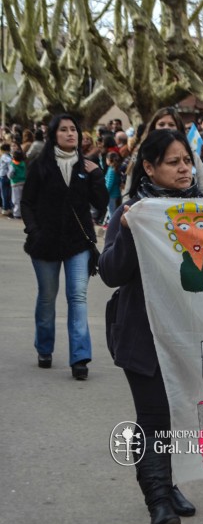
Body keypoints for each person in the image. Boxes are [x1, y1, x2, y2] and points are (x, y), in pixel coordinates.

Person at [99, 129, 200, 524]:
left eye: (187, 160)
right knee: (154, 416)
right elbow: (110, 272)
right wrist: (128, 230)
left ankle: (169, 484)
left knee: (178, 415)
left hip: (188, 334)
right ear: (149, 167)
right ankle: (158, 501)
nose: (184, 168)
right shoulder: (132, 212)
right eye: (173, 162)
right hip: (142, 334)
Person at [21, 114, 108, 379]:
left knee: (77, 296)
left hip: (77, 243)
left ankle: (80, 357)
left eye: (74, 130)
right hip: (44, 244)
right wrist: (34, 231)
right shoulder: (40, 166)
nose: (70, 134)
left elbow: (101, 203)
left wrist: (97, 176)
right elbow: (27, 203)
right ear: (53, 134)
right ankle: (44, 347)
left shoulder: (88, 167)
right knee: (47, 297)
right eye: (64, 130)